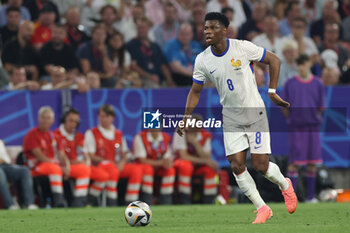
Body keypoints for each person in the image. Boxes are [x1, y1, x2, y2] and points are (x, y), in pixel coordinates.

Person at [177, 12, 297, 224]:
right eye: (206, 28)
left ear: (225, 30)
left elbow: (274, 60)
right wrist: (187, 117)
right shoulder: (202, 59)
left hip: (254, 112)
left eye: (213, 28)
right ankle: (262, 208)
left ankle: (285, 185)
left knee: (261, 165)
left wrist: (271, 91)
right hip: (230, 117)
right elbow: (195, 91)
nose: (208, 32)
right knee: (236, 165)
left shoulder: (242, 47)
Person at [282, 54, 325, 203]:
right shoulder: (290, 84)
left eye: (304, 64)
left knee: (312, 163)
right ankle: (292, 198)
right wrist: (293, 120)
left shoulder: (318, 84)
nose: (301, 67)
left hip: (313, 128)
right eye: (299, 64)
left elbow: (320, 107)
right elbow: (284, 107)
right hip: (296, 128)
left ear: (309, 64)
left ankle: (310, 197)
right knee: (294, 163)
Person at [84, 104, 143, 206]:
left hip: (117, 165)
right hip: (100, 166)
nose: (104, 119)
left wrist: (122, 162)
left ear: (112, 118)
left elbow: (125, 152)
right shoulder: (92, 133)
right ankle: (111, 202)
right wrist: (110, 162)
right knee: (112, 170)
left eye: (106, 116)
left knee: (136, 170)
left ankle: (131, 203)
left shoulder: (118, 134)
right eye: (101, 116)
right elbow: (90, 155)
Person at [22, 106, 65, 207]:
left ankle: (80, 201)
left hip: (52, 166)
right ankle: (58, 199)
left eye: (48, 118)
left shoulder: (54, 136)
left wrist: (66, 165)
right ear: (38, 118)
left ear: (53, 120)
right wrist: (57, 164)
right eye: (43, 117)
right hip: (35, 167)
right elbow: (39, 155)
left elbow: (61, 153)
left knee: (82, 170)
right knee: (54, 169)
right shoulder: (32, 134)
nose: (45, 120)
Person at [173, 114, 218, 204]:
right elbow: (183, 156)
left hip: (197, 165)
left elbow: (206, 156)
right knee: (186, 166)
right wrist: (205, 161)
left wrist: (195, 143)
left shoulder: (205, 135)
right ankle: (184, 200)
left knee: (209, 169)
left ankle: (209, 201)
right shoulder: (180, 131)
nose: (192, 128)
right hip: (178, 163)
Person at [52, 108, 92, 207]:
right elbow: (58, 156)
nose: (73, 124)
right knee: (84, 170)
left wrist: (86, 161)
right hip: (60, 166)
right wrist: (69, 164)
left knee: (87, 170)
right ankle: (59, 201)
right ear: (64, 120)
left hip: (73, 166)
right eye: (71, 120)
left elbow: (83, 154)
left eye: (76, 121)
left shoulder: (79, 137)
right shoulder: (55, 135)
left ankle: (80, 201)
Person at [126, 17, 174, 87]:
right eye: (139, 28)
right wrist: (149, 76)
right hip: (142, 78)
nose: (141, 30)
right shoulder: (131, 44)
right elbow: (133, 65)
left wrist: (169, 80)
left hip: (159, 77)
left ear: (148, 28)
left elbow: (163, 65)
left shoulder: (155, 46)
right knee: (154, 86)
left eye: (143, 27)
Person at [133, 129, 175, 205]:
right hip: (145, 167)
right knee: (148, 169)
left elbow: (167, 157)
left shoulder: (166, 138)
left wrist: (167, 163)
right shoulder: (141, 137)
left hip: (159, 167)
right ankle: (147, 201)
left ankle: (166, 201)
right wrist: (161, 163)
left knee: (170, 170)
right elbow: (141, 160)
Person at [0, 139, 38, 210]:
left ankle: (29, 203)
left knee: (25, 171)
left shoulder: (0, 142)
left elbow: (6, 159)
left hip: (6, 166)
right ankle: (10, 204)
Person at [163, 22, 202, 86]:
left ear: (191, 35)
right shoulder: (171, 45)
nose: (184, 37)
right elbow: (175, 67)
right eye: (182, 34)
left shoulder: (196, 45)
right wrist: (194, 74)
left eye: (187, 34)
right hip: (179, 77)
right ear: (178, 34)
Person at [76, 24, 115, 88]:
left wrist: (104, 54)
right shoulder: (85, 48)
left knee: (113, 81)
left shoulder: (107, 49)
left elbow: (108, 70)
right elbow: (86, 71)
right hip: (86, 77)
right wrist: (104, 76)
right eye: (97, 34)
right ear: (92, 35)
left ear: (105, 36)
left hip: (102, 78)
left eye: (102, 34)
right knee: (93, 80)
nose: (100, 36)